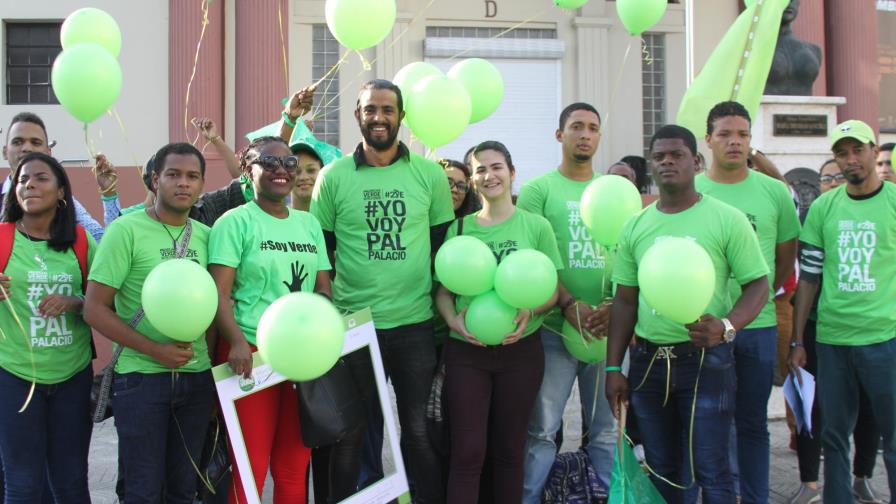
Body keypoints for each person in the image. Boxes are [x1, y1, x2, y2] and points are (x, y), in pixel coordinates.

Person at [605, 124, 769, 503]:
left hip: (705, 360)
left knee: (711, 469)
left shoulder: (727, 219)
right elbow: (626, 301)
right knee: (662, 469)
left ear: (695, 161)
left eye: (676, 154)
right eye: (658, 156)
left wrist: (727, 326)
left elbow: (758, 284)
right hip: (648, 363)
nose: (666, 162)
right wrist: (614, 367)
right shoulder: (636, 225)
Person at [310, 79, 454, 503]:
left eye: (387, 109)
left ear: (401, 117)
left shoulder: (429, 175)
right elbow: (324, 255)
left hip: (414, 326)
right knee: (353, 434)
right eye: (370, 109)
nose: (379, 117)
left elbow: (442, 253)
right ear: (357, 115)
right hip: (354, 326)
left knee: (419, 432)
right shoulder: (333, 177)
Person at [84, 142, 216, 504]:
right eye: (173, 174)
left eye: (192, 177)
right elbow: (94, 309)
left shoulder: (207, 237)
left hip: (196, 378)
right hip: (140, 380)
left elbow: (215, 305)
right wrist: (155, 350)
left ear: (202, 184)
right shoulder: (125, 231)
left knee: (183, 489)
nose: (183, 184)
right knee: (142, 490)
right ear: (155, 180)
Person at [435, 140, 561, 503]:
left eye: (496, 167)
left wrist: (531, 311)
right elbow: (443, 292)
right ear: (473, 180)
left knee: (509, 451)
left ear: (512, 173)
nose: (489, 175)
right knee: (467, 452)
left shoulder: (536, 227)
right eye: (480, 169)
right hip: (467, 352)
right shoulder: (459, 230)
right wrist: (452, 322)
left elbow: (551, 288)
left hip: (520, 352)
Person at [208, 135, 331, 503]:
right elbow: (219, 293)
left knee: (293, 467)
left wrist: (320, 332)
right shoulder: (234, 222)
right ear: (248, 170)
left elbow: (323, 288)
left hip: (302, 355)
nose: (281, 169)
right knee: (250, 468)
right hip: (249, 353)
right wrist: (237, 342)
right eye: (269, 162)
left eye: (289, 163)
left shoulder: (309, 225)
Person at [695, 101, 800, 504]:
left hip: (758, 327)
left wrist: (756, 299)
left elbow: (785, 256)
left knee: (753, 423)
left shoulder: (774, 192)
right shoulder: (696, 190)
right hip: (705, 328)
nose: (734, 142)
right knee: (710, 424)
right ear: (708, 140)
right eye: (724, 134)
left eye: (742, 134)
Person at [789, 119, 896, 504]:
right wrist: (798, 339)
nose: (851, 160)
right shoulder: (823, 208)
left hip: (885, 340)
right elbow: (809, 280)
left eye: (858, 150)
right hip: (833, 340)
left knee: (893, 434)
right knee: (833, 437)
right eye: (841, 152)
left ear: (874, 148)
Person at [518, 103, 617, 501]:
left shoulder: (611, 191)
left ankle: (603, 495)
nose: (585, 134)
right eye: (576, 126)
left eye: (593, 127)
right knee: (541, 429)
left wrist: (612, 306)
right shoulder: (539, 190)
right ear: (560, 135)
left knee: (607, 430)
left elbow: (625, 255)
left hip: (607, 333)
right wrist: (568, 304)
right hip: (555, 332)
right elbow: (532, 259)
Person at [0, 152, 95, 503]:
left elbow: (106, 304)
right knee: (23, 484)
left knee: (71, 483)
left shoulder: (82, 242)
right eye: (23, 179)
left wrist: (75, 302)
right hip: (14, 376)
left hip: (72, 376)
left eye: (40, 178)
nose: (29, 184)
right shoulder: (2, 238)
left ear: (60, 193)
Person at [2, 112, 108, 241]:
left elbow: (101, 240)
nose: (27, 148)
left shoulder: (60, 201)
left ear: (48, 153)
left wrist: (109, 193)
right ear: (5, 152)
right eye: (18, 142)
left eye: (35, 142)